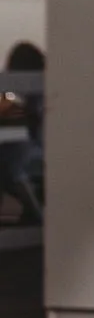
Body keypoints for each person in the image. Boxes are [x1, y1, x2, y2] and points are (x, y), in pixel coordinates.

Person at [0, 42, 44, 224]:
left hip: (37, 163)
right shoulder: (35, 99)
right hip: (37, 158)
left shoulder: (41, 100)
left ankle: (33, 212)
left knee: (6, 156)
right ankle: (31, 213)